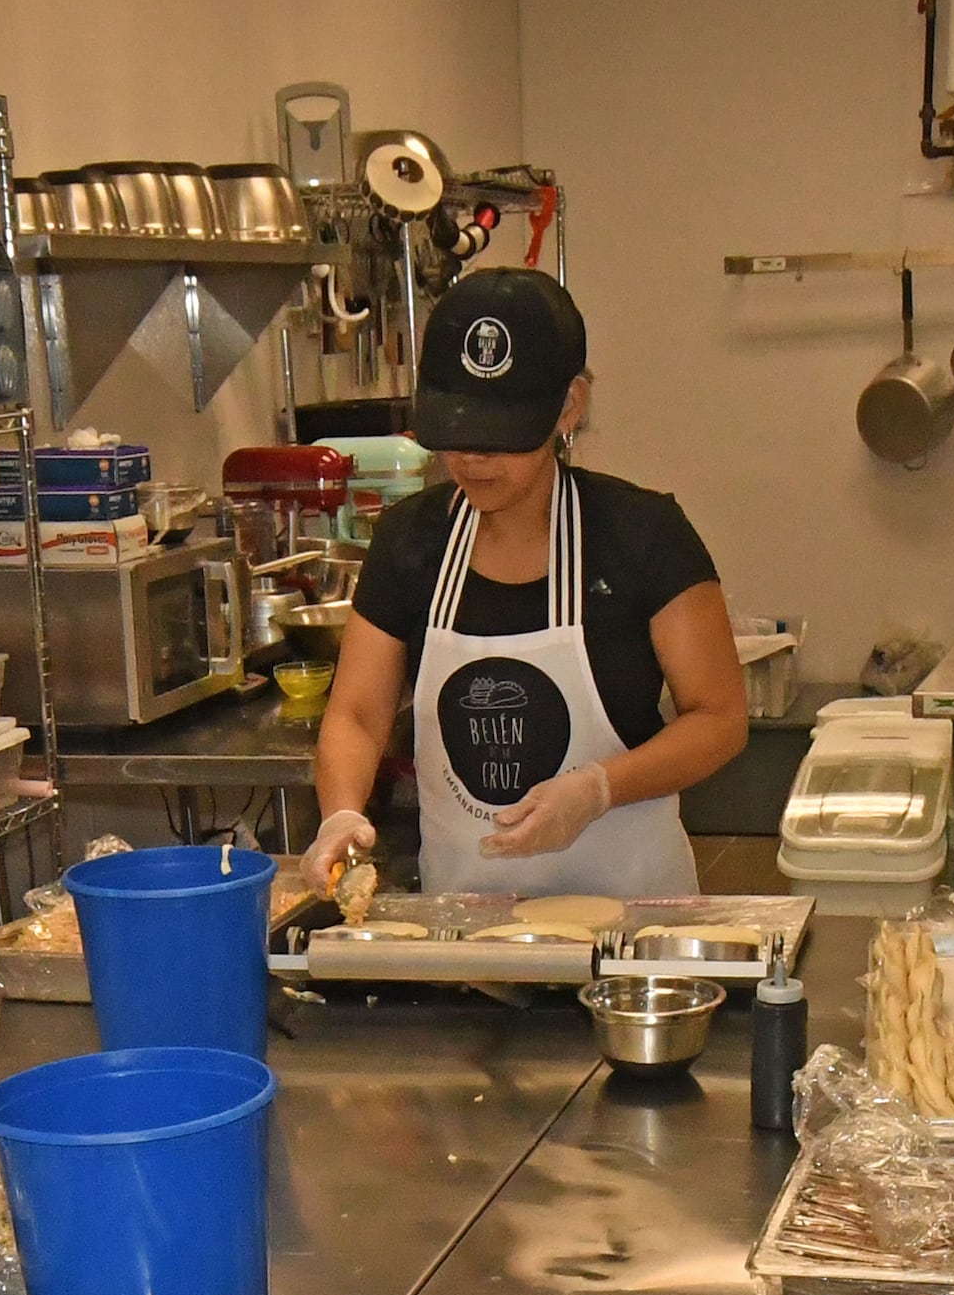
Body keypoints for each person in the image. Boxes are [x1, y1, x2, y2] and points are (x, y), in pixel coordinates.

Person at [302, 268, 750, 901]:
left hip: (632, 931)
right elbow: (356, 714)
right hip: (464, 931)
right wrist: (342, 813)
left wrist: (599, 788)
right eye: (457, 434)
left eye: (500, 436)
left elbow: (721, 718)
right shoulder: (409, 542)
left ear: (570, 405)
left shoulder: (643, 534)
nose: (474, 460)